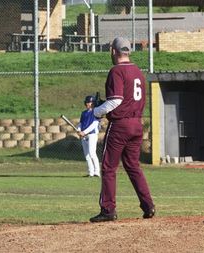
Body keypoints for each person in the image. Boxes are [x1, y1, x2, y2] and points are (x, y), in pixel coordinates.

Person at [89, 37, 155, 222]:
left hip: (120, 125)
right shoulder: (138, 72)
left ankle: (108, 209)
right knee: (133, 166)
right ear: (128, 52)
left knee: (109, 167)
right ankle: (148, 205)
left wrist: (97, 112)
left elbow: (116, 100)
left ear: (113, 51)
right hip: (137, 124)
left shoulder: (116, 71)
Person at [77, 95, 101, 178]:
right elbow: (81, 123)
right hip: (84, 135)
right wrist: (79, 129)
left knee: (92, 153)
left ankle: (97, 172)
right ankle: (90, 172)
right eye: (87, 102)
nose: (88, 104)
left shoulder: (96, 112)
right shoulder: (83, 113)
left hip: (92, 134)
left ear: (93, 103)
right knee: (87, 155)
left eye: (89, 102)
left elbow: (95, 124)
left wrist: (84, 132)